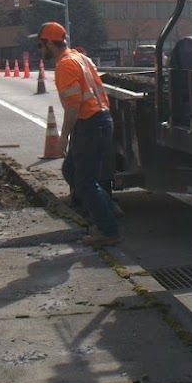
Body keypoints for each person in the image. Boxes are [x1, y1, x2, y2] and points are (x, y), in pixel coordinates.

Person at [37, 21, 118, 245]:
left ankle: (108, 230)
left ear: (50, 44)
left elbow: (73, 107)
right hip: (101, 121)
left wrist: (62, 138)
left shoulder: (65, 65)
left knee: (84, 182)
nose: (39, 50)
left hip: (90, 124)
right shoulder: (81, 58)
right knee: (71, 170)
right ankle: (106, 208)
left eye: (40, 45)